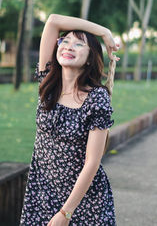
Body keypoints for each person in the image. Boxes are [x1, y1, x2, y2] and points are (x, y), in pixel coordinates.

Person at [19, 14, 120, 226]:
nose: (68, 46)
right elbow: (53, 21)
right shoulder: (48, 83)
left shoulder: (96, 98)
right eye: (64, 41)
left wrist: (65, 213)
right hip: (42, 192)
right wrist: (103, 31)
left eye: (79, 44)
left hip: (83, 201)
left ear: (91, 57)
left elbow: (92, 162)